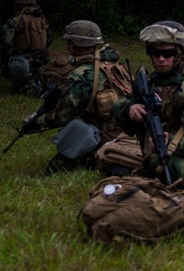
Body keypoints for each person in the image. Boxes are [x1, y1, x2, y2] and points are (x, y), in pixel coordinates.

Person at [113, 21, 184, 209]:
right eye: (154, 53)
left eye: (167, 53)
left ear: (180, 53)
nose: (160, 59)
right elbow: (119, 105)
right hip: (157, 155)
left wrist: (170, 142)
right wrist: (130, 109)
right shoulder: (153, 81)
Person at [20, 20, 128, 174]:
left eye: (69, 41)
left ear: (77, 44)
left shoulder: (82, 74)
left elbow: (62, 116)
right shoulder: (110, 64)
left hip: (104, 133)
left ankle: (96, 157)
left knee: (55, 168)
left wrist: (35, 123)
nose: (67, 45)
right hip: (121, 131)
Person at [0, 0, 53, 95]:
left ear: (19, 2)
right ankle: (35, 78)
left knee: (22, 86)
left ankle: (35, 89)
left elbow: (6, 44)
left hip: (22, 61)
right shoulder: (42, 18)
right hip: (41, 57)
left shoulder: (15, 21)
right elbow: (49, 39)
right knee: (32, 74)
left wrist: (5, 62)